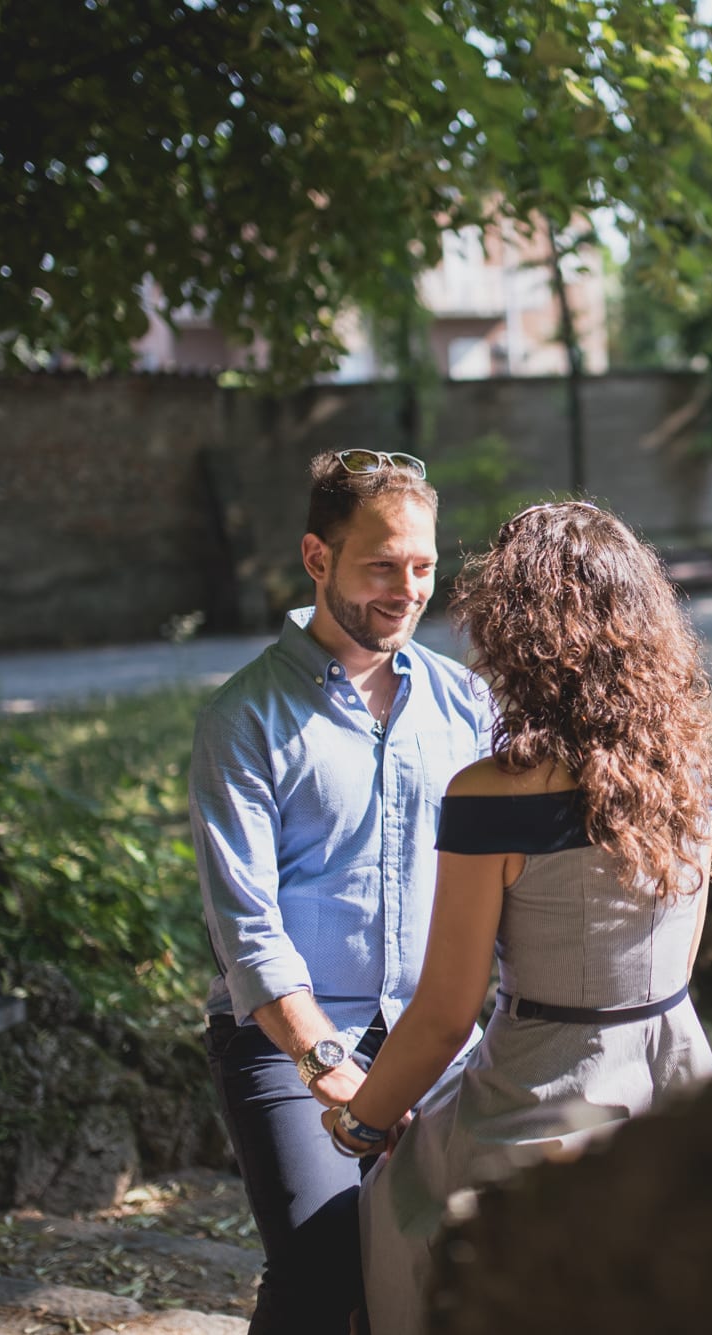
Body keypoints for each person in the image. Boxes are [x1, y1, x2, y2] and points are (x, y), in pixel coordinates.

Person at [322, 501, 712, 1333]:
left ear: (515, 633)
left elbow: (445, 1014)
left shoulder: (489, 795)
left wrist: (360, 1124)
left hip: (544, 1095)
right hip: (677, 1081)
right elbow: (677, 965)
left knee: (395, 1217)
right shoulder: (690, 771)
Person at [191, 448, 491, 1335]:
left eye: (425, 566)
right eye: (382, 566)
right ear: (317, 558)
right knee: (325, 1272)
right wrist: (331, 1068)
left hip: (440, 1030)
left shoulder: (467, 704)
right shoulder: (243, 718)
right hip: (289, 1045)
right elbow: (247, 932)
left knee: (445, 1274)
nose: (408, 590)